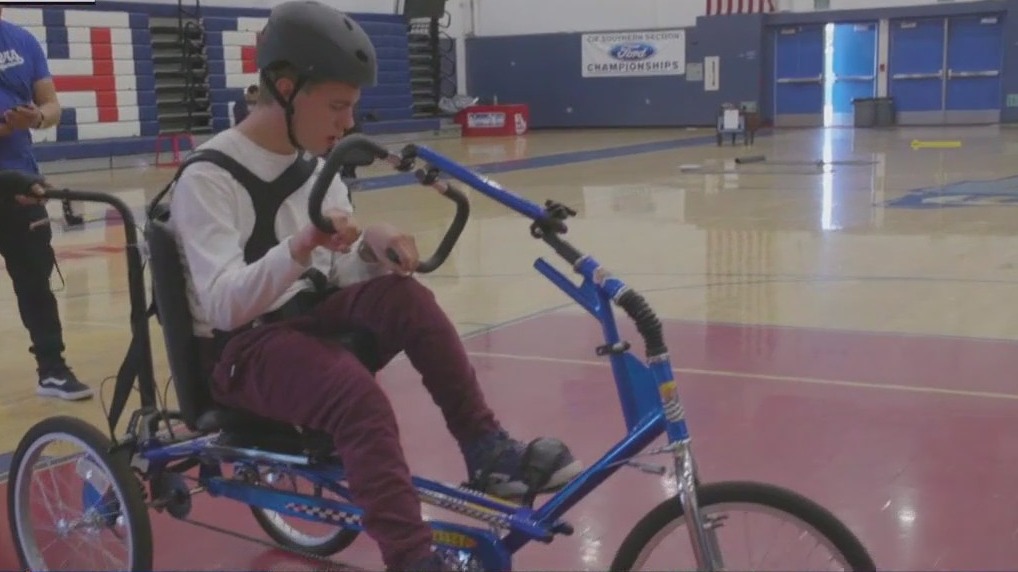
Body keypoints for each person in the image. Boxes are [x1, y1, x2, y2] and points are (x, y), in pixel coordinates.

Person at [167, 2, 583, 570]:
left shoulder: (317, 167)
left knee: (406, 298)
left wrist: (371, 248)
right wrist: (300, 246)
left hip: (304, 323)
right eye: (337, 106)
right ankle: (411, 558)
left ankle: (485, 448)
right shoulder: (209, 177)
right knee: (356, 398)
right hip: (243, 350)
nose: (347, 124)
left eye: (352, 108)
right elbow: (222, 305)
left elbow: (336, 272)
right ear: (286, 89)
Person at [0, 8, 92, 400]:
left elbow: (52, 106)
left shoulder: (22, 41)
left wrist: (36, 118)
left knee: (35, 279)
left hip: (20, 182)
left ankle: (52, 369)